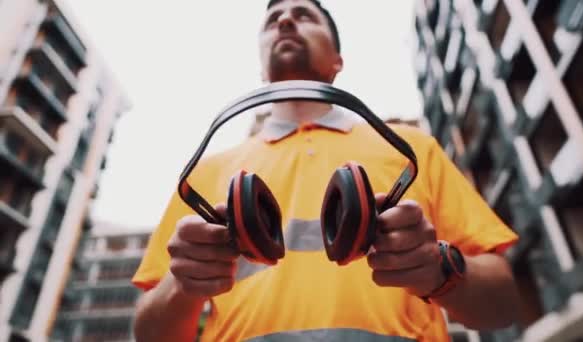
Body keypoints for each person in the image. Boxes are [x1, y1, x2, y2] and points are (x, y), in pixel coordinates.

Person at [131, 0, 522, 341]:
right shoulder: (208, 172)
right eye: (273, 20)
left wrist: (439, 268)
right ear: (261, 68)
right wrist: (183, 284)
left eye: (304, 16)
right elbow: (150, 334)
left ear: (338, 60)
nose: (285, 22)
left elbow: (502, 307)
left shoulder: (409, 148)